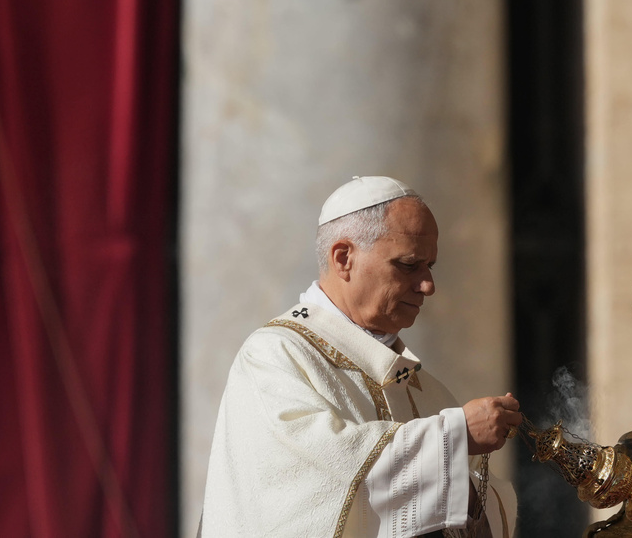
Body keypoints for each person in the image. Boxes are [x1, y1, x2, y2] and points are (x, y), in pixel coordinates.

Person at [201, 176, 521, 537]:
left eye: (430, 266)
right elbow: (311, 485)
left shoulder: (421, 388)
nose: (428, 285)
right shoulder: (275, 356)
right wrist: (452, 436)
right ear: (344, 258)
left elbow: (485, 506)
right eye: (408, 264)